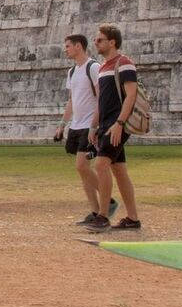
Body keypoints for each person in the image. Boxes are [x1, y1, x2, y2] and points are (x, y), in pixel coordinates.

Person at [84, 24, 142, 231]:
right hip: (106, 124)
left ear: (112, 42)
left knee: (100, 165)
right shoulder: (102, 68)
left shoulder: (124, 63)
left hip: (117, 124)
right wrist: (93, 127)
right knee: (119, 171)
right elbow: (101, 100)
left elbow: (131, 95)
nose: (96, 43)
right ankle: (133, 219)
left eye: (100, 39)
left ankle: (102, 216)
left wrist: (119, 124)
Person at [54, 34, 115, 225]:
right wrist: (62, 125)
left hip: (89, 124)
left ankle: (109, 202)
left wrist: (94, 126)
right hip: (76, 125)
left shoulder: (93, 67)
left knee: (81, 165)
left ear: (78, 46)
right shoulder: (72, 72)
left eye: (68, 46)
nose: (66, 49)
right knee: (82, 170)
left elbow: (101, 98)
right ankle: (95, 211)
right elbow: (72, 100)